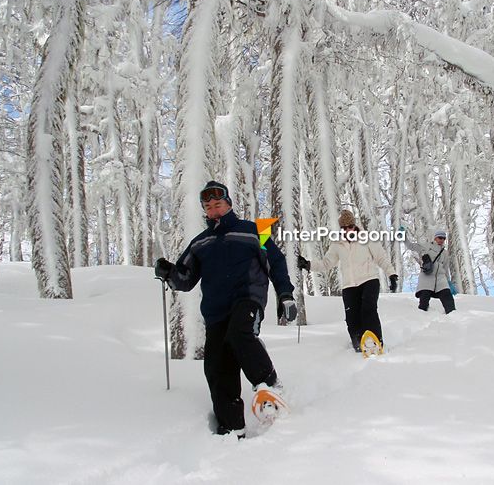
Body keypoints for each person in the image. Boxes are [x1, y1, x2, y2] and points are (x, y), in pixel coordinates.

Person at [154, 180, 297, 438]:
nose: (214, 211)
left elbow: (276, 262)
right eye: (208, 207)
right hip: (215, 312)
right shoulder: (200, 243)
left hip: (248, 299)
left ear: (229, 203)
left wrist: (285, 294)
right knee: (216, 366)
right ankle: (232, 429)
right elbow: (185, 279)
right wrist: (169, 273)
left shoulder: (253, 231)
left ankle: (270, 385)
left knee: (239, 333)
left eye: (218, 204)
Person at [296, 210, 398, 352]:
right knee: (351, 317)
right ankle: (359, 343)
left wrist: (391, 274)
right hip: (349, 285)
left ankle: (375, 341)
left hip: (369, 280)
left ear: (354, 225)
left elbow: (381, 257)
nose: (347, 230)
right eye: (344, 227)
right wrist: (308, 264)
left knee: (368, 310)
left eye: (349, 226)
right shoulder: (337, 244)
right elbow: (327, 263)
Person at [404, 229, 456, 314]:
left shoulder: (445, 253)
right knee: (423, 302)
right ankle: (421, 319)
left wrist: (448, 282)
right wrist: (403, 236)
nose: (442, 240)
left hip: (441, 278)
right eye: (440, 238)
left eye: (444, 238)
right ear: (435, 238)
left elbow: (445, 267)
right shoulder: (426, 246)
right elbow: (410, 246)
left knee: (448, 299)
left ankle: (453, 317)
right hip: (427, 277)